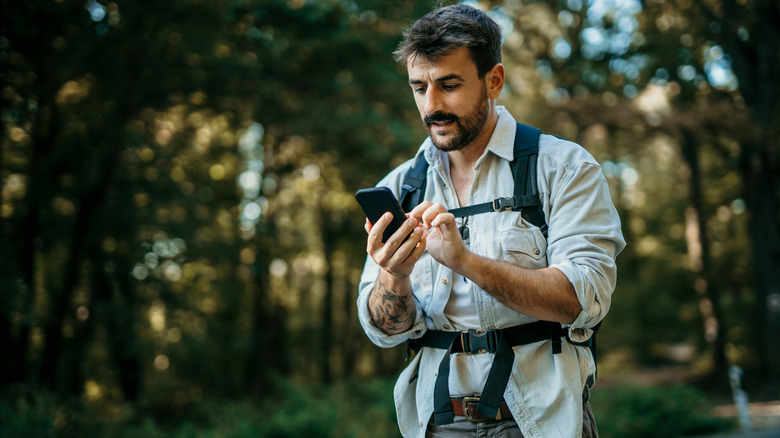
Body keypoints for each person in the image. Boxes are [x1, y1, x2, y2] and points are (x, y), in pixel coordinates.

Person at [356, 4, 625, 437]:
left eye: (449, 85)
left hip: (544, 420)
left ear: (494, 80)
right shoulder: (403, 185)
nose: (432, 105)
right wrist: (394, 275)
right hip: (436, 420)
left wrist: (465, 261)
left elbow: (583, 300)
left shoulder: (563, 167)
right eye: (419, 87)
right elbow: (385, 331)